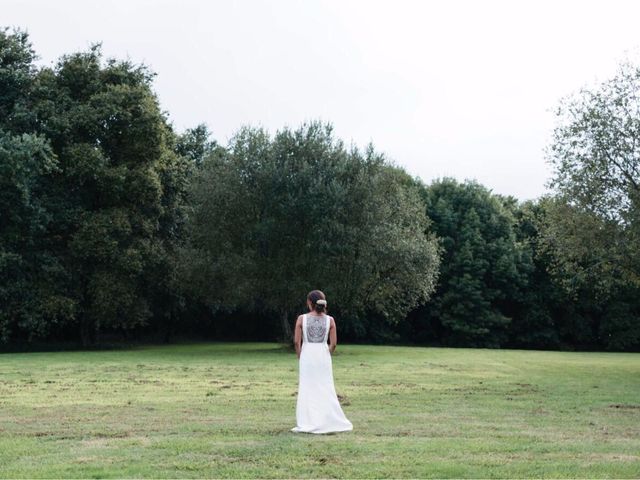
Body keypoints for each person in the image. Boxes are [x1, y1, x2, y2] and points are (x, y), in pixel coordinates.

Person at [291, 290, 353, 434]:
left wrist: (300, 356)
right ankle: (327, 419)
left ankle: (309, 420)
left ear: (309, 303)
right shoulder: (330, 320)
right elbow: (334, 344)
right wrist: (326, 354)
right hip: (323, 355)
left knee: (308, 387)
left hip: (307, 355)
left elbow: (296, 341)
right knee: (325, 386)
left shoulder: (302, 318)